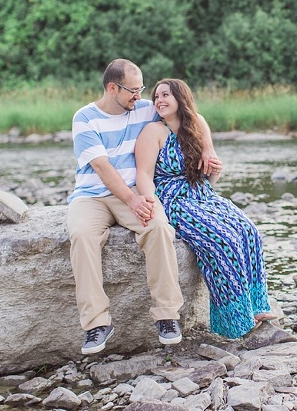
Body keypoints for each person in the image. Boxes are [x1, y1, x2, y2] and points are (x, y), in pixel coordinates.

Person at [67, 59, 215, 355]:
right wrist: (133, 200)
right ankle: (96, 323)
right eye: (133, 91)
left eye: (142, 89)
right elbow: (101, 166)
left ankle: (167, 316)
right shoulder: (84, 118)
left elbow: (191, 115)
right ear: (113, 88)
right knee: (82, 235)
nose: (141, 96)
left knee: (159, 228)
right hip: (92, 195)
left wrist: (208, 147)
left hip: (135, 192)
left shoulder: (144, 108)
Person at [135, 78, 277, 339]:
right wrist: (152, 206)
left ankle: (256, 306)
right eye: (156, 97)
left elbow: (209, 176)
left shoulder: (197, 124)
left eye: (166, 95)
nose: (159, 101)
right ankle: (232, 320)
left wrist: (215, 171)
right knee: (222, 240)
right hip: (173, 198)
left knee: (247, 230)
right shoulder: (153, 132)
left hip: (202, 192)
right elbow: (143, 175)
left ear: (181, 98)